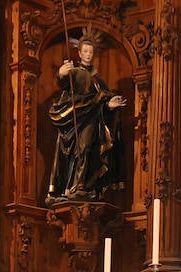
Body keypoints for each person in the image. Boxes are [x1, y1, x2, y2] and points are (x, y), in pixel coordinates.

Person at [45, 29, 126, 204]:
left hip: (91, 119)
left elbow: (103, 99)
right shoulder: (73, 72)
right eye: (85, 51)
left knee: (86, 147)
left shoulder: (98, 79)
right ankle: (67, 187)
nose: (88, 55)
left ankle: (80, 185)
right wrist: (61, 73)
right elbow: (63, 83)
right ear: (80, 52)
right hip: (72, 119)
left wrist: (110, 105)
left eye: (91, 52)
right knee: (68, 152)